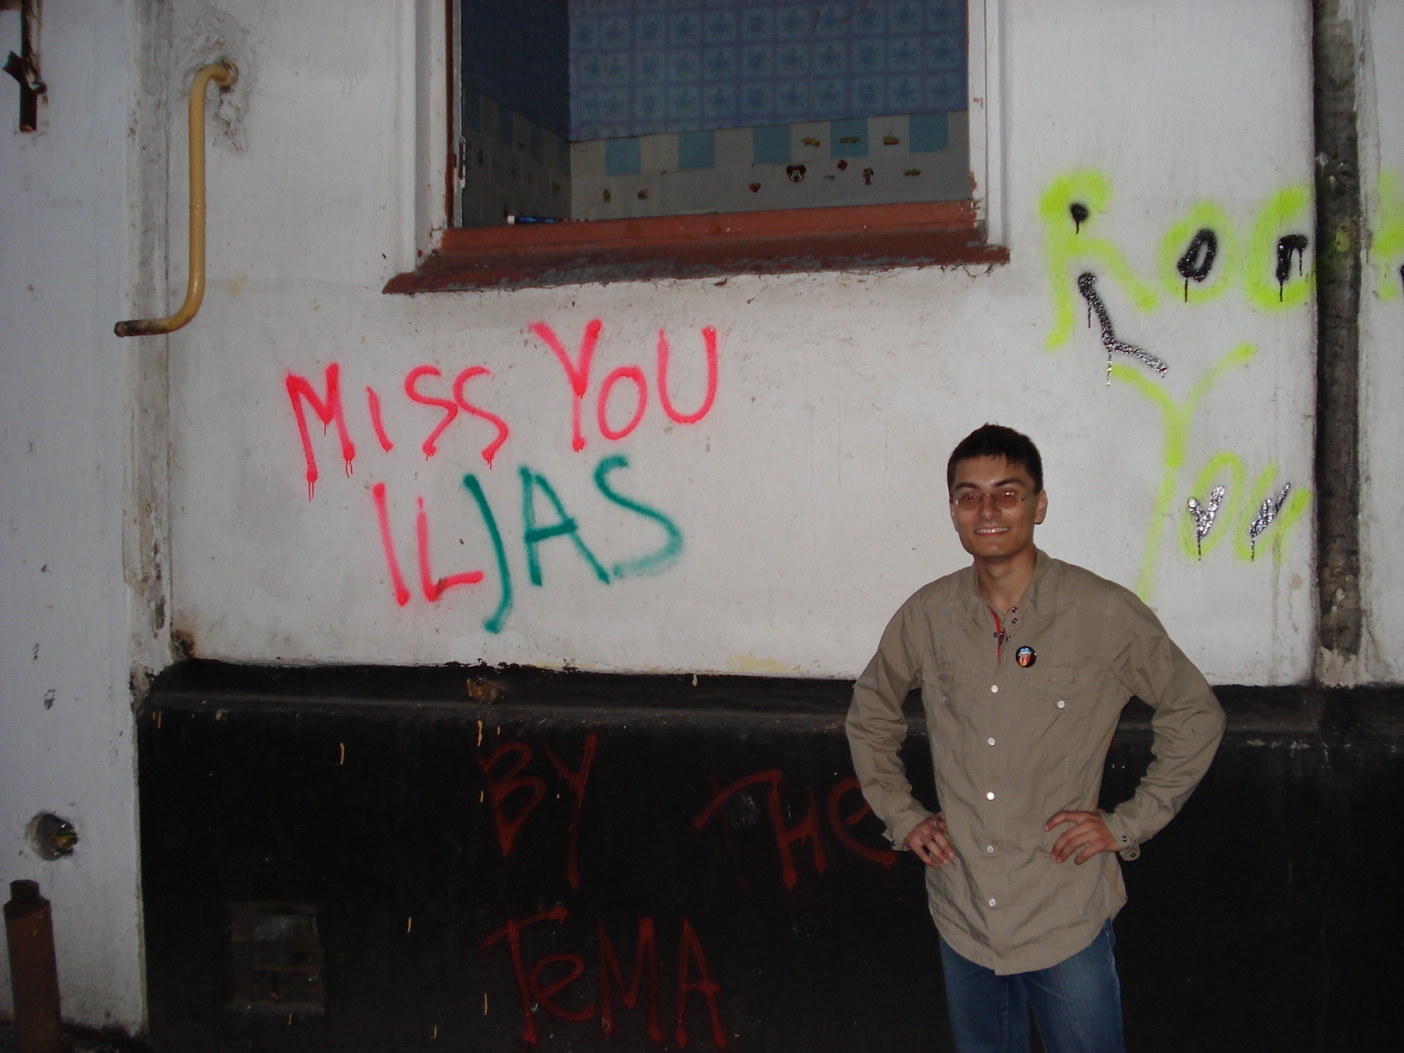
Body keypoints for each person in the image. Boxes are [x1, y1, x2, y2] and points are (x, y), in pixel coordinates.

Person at [846, 424, 1225, 1053]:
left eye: (1007, 492)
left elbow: (1195, 713)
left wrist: (1127, 825)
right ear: (953, 511)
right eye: (969, 496)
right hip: (964, 906)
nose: (988, 510)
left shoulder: (1101, 613)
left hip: (1061, 909)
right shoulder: (928, 616)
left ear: (1038, 505)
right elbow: (870, 713)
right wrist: (902, 815)